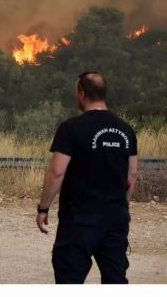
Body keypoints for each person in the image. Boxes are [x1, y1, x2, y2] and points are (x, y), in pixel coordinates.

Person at [36, 72, 139, 284]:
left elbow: (56, 172)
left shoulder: (70, 128)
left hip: (79, 221)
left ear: (82, 94)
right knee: (115, 280)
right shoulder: (126, 130)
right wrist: (122, 207)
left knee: (69, 279)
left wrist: (43, 208)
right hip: (115, 219)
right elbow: (133, 173)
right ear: (103, 94)